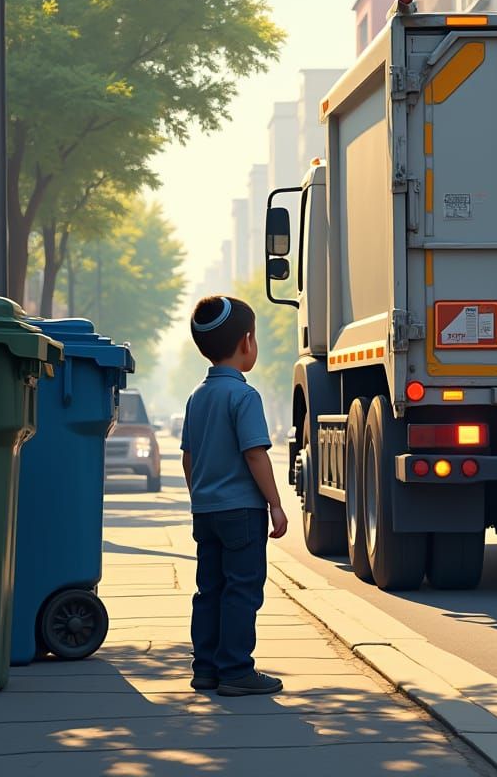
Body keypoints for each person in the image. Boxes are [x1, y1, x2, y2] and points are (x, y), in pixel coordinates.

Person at [181, 294, 289, 695]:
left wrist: (201, 497)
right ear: (247, 342)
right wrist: (275, 504)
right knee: (241, 589)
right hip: (242, 511)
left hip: (205, 512)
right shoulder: (244, 397)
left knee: (208, 589)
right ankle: (236, 670)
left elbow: (188, 458)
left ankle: (205, 668)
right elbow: (255, 454)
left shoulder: (197, 397)